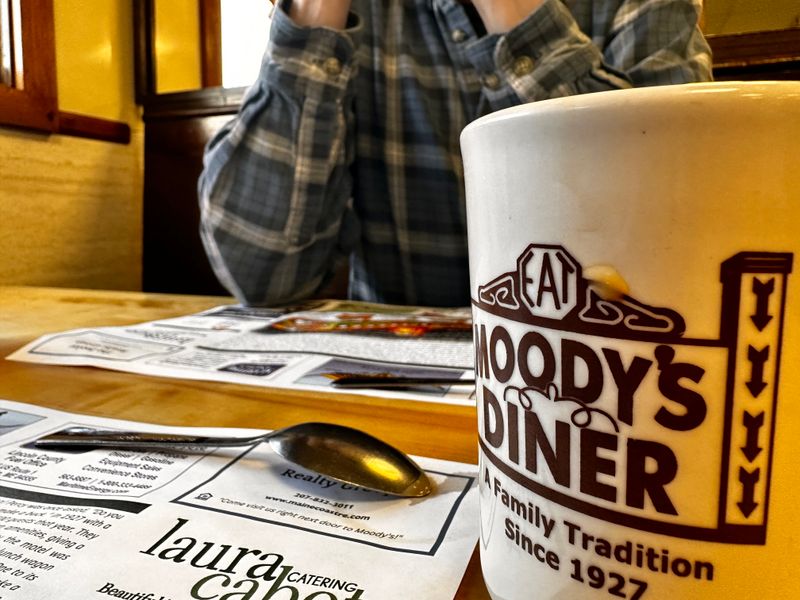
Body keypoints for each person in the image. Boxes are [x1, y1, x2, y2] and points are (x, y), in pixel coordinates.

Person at [198, 0, 712, 308]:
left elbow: (679, 243)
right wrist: (314, 17)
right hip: (389, 393)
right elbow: (261, 275)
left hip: (603, 383)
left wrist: (516, 15)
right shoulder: (359, 15)